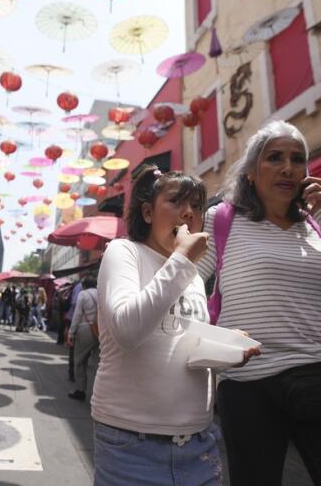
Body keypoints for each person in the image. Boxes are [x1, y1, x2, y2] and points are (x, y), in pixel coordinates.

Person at [197, 120, 321, 486]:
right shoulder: (222, 220)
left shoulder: (319, 226)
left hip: (320, 376)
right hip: (247, 383)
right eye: (275, 157)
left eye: (298, 159)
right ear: (251, 172)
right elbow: (186, 283)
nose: (288, 168)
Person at [92, 166, 259, 485]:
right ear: (148, 212)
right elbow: (128, 331)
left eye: (197, 206)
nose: (189, 213)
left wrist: (226, 346)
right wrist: (182, 259)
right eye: (176, 202)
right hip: (131, 443)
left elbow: (184, 343)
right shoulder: (125, 252)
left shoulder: (192, 275)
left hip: (199, 441)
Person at [66, 276, 98, 401]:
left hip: (85, 329)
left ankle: (80, 390)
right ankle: (98, 393)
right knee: (98, 363)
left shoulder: (83, 294)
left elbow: (77, 314)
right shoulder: (101, 294)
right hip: (100, 330)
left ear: (84, 285)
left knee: (79, 361)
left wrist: (71, 333)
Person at [65, 279, 83, 381]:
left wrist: (70, 333)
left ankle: (72, 373)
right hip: (91, 325)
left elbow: (75, 306)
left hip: (77, 322)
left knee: (74, 350)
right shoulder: (96, 291)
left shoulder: (78, 289)